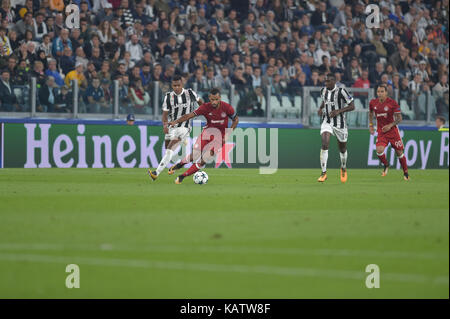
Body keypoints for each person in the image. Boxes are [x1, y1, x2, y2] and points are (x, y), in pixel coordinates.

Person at [166, 87, 239, 184]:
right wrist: (175, 122)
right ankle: (180, 164)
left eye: (216, 99)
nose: (214, 102)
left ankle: (182, 176)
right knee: (194, 155)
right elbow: (188, 115)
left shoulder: (227, 107)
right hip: (207, 134)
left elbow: (236, 120)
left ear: (220, 98)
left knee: (204, 159)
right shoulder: (205, 107)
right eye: (212, 99)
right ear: (209, 98)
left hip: (219, 138)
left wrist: (228, 133)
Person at [147, 75, 203, 180]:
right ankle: (183, 141)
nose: (176, 87)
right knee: (167, 147)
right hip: (172, 126)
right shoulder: (168, 97)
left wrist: (200, 112)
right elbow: (164, 114)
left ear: (182, 84)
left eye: (178, 85)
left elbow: (201, 103)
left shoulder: (190, 93)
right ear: (171, 85)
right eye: (174, 85)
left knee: (170, 149)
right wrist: (164, 125)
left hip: (184, 127)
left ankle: (156, 173)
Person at [317, 73, 355, 183]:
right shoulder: (323, 91)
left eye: (328, 81)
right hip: (327, 121)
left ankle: (343, 167)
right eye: (325, 81)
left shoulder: (342, 91)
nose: (326, 83)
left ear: (334, 81)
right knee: (324, 143)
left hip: (340, 124)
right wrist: (320, 108)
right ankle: (323, 173)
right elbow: (324, 101)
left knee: (342, 149)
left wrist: (339, 111)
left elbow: (352, 106)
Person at [368, 84, 410, 181]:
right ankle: (386, 164)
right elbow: (370, 113)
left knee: (399, 152)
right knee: (379, 150)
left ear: (386, 92)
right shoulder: (373, 103)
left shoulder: (392, 103)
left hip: (393, 131)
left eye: (382, 91)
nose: (380, 93)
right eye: (378, 92)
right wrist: (370, 125)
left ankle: (406, 173)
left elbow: (399, 118)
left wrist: (390, 125)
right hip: (382, 131)